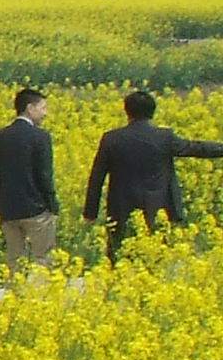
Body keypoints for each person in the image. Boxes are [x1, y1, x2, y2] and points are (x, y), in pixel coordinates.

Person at [86, 88, 223, 260]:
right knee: (156, 258)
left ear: (127, 111)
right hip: (157, 209)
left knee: (119, 258)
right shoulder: (164, 137)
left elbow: (97, 177)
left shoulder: (111, 139)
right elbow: (195, 148)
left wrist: (90, 213)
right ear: (152, 112)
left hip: (121, 209)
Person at [0, 87, 59, 267]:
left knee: (15, 261)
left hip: (9, 211)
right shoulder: (41, 137)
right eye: (43, 108)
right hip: (37, 211)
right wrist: (52, 206)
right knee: (42, 259)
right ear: (30, 108)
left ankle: (15, 286)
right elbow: (44, 175)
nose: (45, 113)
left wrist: (1, 207)